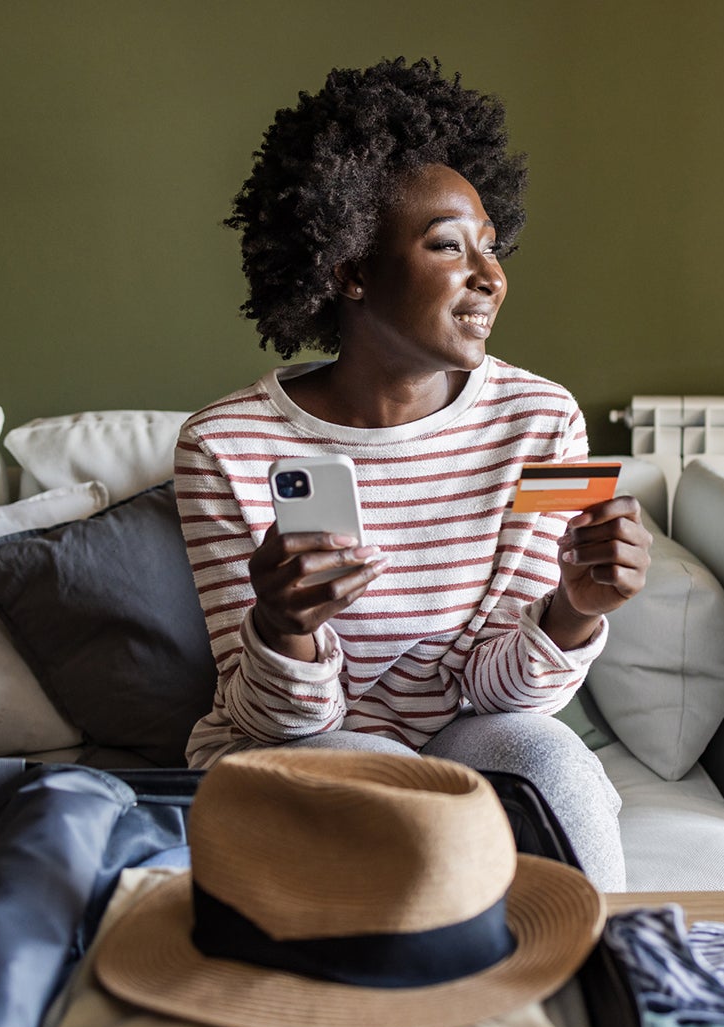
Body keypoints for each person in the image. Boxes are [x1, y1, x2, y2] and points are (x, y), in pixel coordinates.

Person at [173, 57, 650, 891]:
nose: (490, 277)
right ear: (350, 269)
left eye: (491, 249)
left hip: (465, 726)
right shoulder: (226, 446)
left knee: (556, 762)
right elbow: (284, 718)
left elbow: (503, 693)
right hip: (296, 745)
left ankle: (603, 979)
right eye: (447, 247)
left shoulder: (539, 422)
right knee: (382, 785)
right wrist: (284, 625)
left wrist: (575, 609)